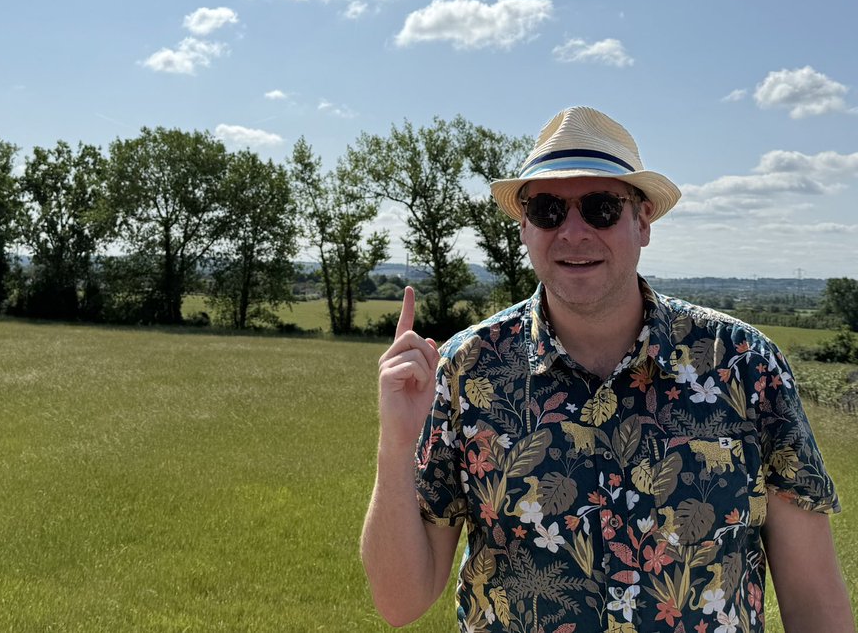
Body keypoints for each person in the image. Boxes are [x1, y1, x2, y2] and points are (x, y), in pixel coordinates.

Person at [361, 106, 853, 632]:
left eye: (600, 207)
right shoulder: (467, 371)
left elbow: (813, 600)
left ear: (643, 222)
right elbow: (400, 601)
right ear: (524, 226)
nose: (573, 232)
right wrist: (396, 441)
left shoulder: (746, 366)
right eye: (548, 209)